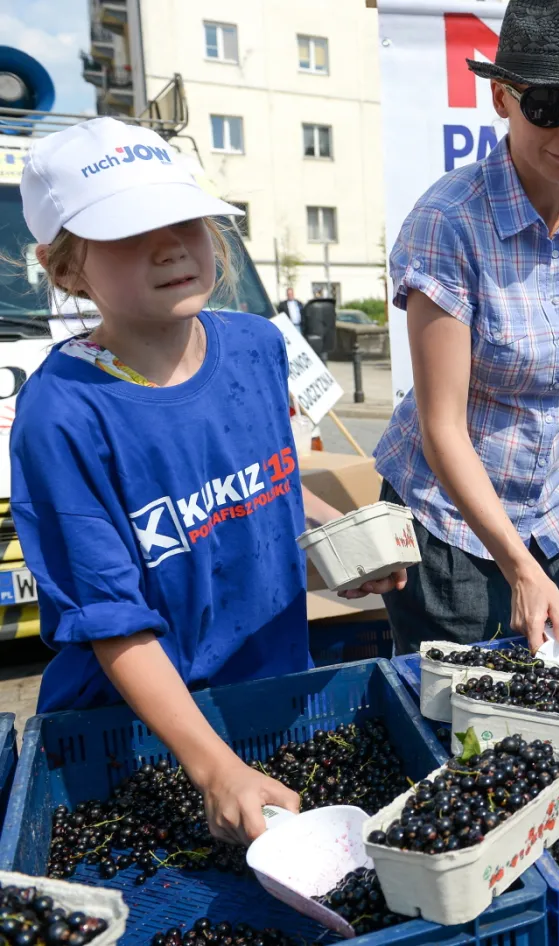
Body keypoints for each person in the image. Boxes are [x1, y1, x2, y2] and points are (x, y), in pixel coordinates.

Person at [12, 117, 404, 846]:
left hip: (276, 694)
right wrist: (215, 768)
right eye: (128, 232)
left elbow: (271, 485)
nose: (168, 246)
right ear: (65, 269)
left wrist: (342, 543)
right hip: (139, 738)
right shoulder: (61, 414)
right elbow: (111, 620)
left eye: (183, 219)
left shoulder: (257, 345)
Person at [374, 0, 559, 654]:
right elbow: (443, 427)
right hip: (450, 531)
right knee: (458, 706)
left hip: (557, 522)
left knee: (552, 694)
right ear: (502, 97)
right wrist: (518, 566)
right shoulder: (448, 223)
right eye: (549, 106)